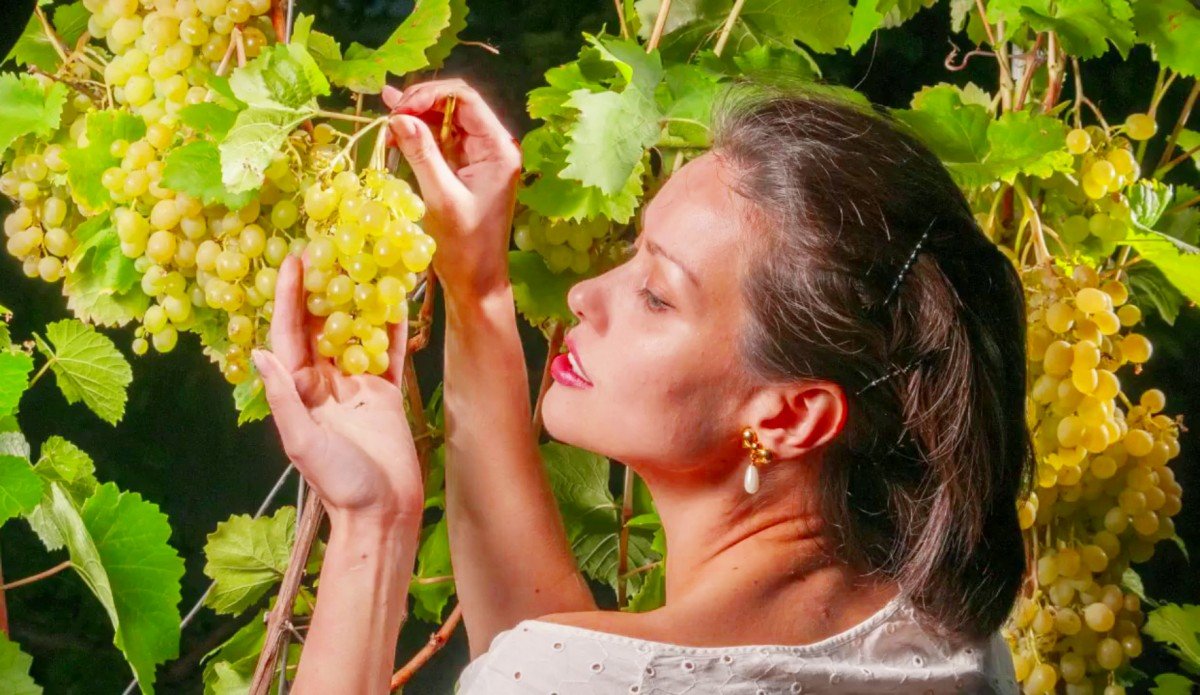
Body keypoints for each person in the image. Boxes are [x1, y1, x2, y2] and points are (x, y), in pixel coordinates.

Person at [253, 77, 1029, 694]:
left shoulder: (556, 677)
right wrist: (477, 289)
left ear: (791, 415)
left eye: (657, 295)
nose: (585, 294)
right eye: (632, 251)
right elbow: (566, 653)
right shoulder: (949, 642)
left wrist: (373, 525)